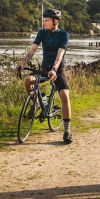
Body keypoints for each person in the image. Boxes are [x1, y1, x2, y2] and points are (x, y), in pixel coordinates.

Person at [17, 8, 73, 144]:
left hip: (57, 69)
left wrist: (54, 69)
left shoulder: (63, 35)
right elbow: (32, 50)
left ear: (55, 22)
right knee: (28, 80)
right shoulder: (42, 33)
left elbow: (60, 54)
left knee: (65, 95)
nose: (44, 23)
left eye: (46, 21)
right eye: (43, 20)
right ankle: (36, 102)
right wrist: (22, 64)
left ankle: (67, 131)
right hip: (44, 68)